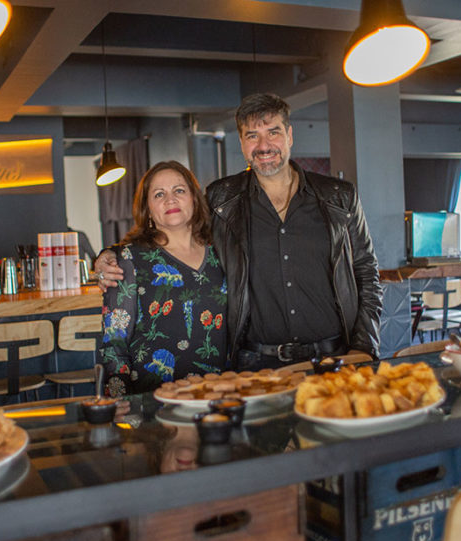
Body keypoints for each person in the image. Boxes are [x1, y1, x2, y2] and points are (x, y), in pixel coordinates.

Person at [97, 93, 382, 370]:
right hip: (258, 367)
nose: (264, 145)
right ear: (242, 144)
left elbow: (367, 273)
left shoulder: (339, 198)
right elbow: (177, 227)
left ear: (290, 135)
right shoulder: (223, 200)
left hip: (336, 359)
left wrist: (363, 346)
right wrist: (109, 255)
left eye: (273, 132)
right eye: (252, 136)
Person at [99, 160, 227, 396]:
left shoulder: (221, 253)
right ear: (147, 209)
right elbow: (114, 345)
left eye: (179, 190)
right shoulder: (128, 260)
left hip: (217, 395)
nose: (171, 199)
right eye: (159, 194)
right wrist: (120, 402)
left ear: (194, 199)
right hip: (153, 401)